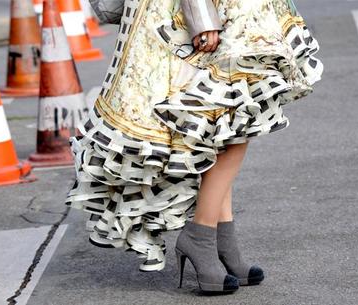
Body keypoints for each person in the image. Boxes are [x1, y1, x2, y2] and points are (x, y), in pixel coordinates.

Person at [65, 0, 323, 294]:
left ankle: (221, 242)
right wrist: (201, 15)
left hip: (225, 11)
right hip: (190, 14)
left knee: (222, 122)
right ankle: (201, 236)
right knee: (230, 115)